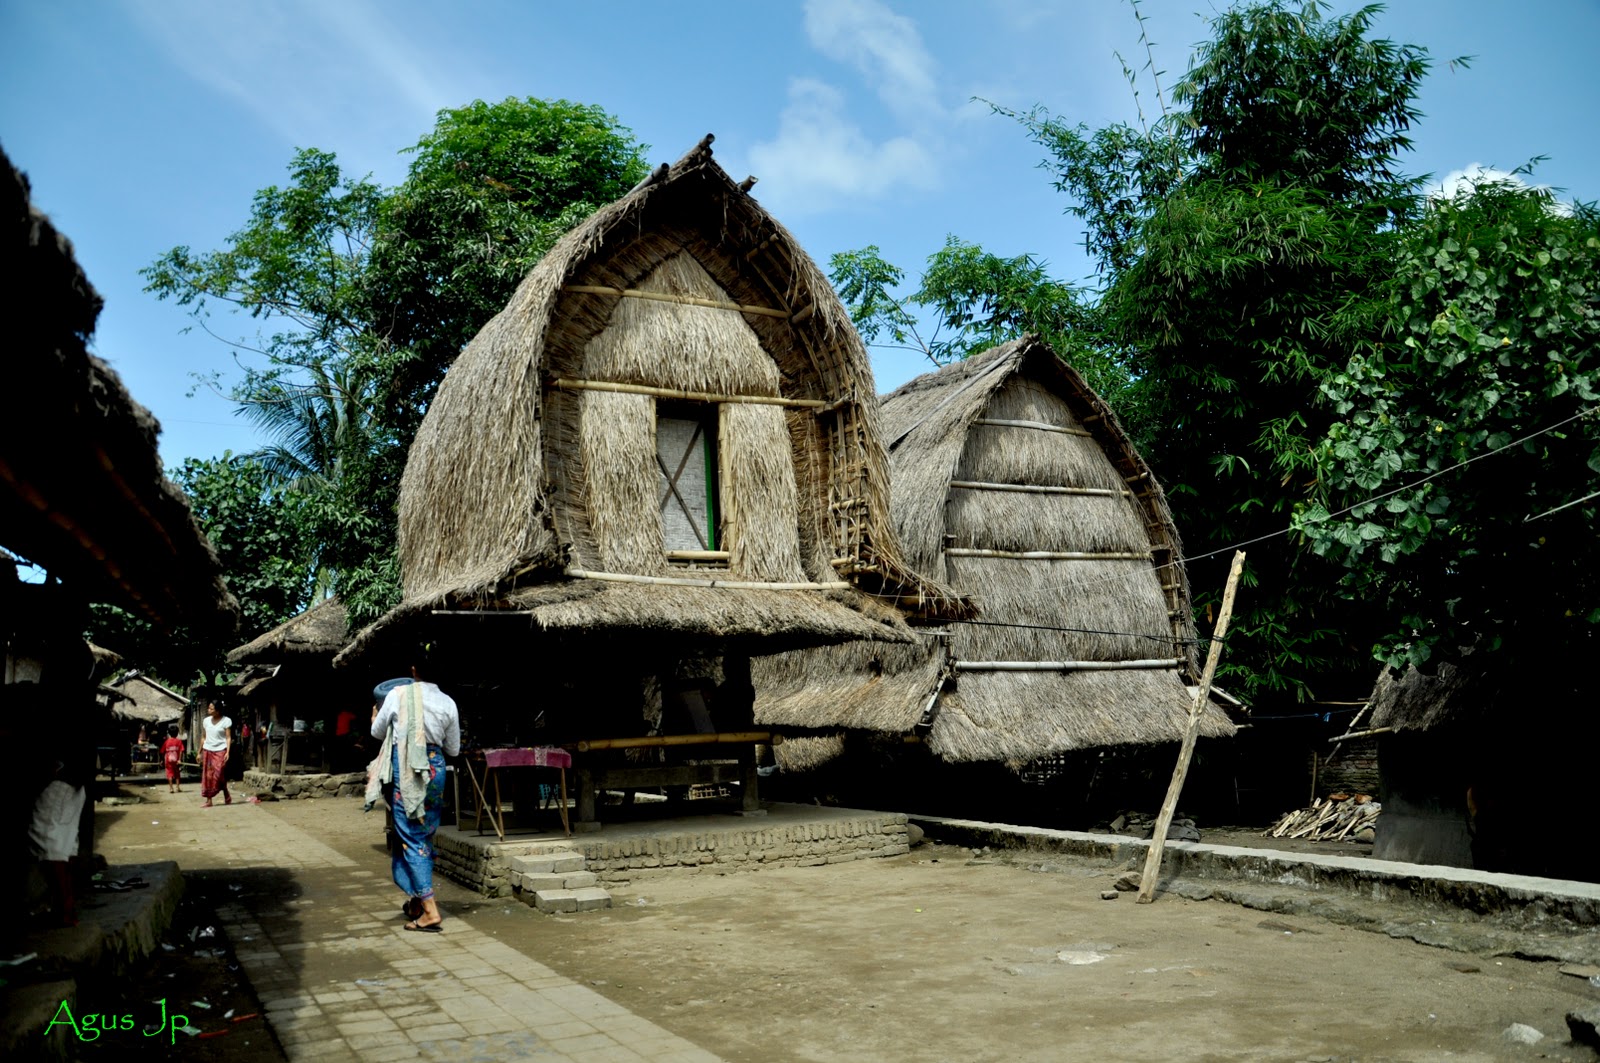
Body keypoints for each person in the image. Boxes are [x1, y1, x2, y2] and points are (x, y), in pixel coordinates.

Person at [368, 647, 459, 932]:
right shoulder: (448, 702)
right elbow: (453, 748)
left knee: (411, 838)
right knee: (423, 836)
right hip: (435, 771)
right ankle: (417, 903)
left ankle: (430, 911)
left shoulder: (396, 695)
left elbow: (377, 733)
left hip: (407, 772)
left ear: (413, 671)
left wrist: (374, 718)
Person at [29, 759, 87, 927]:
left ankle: (65, 911)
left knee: (52, 845)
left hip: (60, 786)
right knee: (63, 846)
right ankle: (65, 908)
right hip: (68, 786)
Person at [199, 701, 233, 807]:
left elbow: (228, 737)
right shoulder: (206, 721)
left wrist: (228, 751)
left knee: (219, 774)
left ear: (218, 710)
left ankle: (225, 790)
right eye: (209, 708)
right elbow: (203, 737)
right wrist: (199, 752)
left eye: (211, 708)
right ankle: (209, 800)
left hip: (221, 750)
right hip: (207, 750)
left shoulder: (226, 721)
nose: (209, 710)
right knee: (208, 776)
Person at [160, 724, 185, 794]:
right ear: (177, 733)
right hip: (176, 760)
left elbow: (162, 751)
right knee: (177, 774)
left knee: (169, 774)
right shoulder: (179, 741)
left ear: (169, 733)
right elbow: (181, 751)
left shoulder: (166, 742)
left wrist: (162, 760)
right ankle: (177, 787)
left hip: (168, 761)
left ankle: (171, 788)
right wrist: (180, 759)